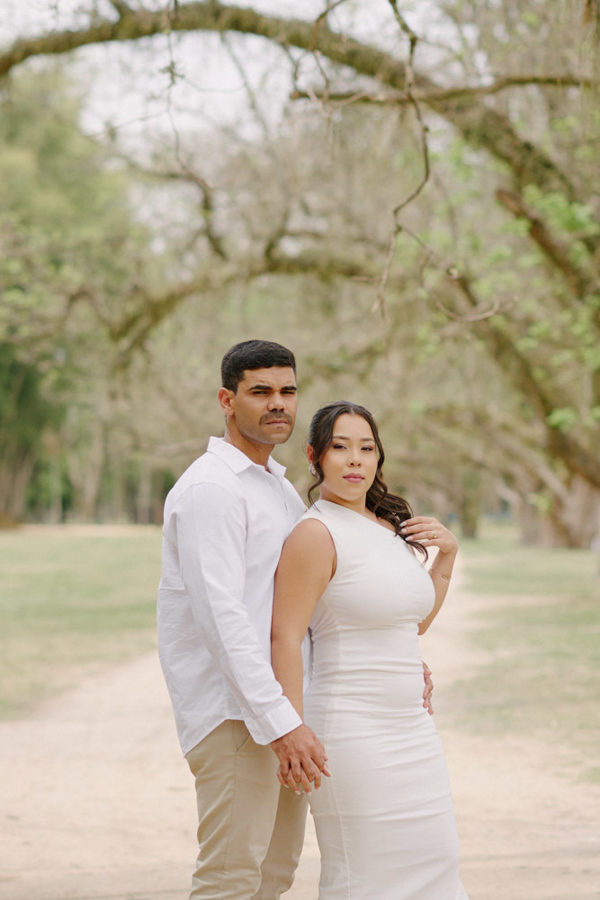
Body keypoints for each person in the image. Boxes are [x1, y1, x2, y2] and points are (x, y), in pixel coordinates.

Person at [157, 342, 433, 900]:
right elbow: (224, 621)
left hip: (286, 713)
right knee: (230, 879)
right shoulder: (213, 489)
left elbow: (309, 608)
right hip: (238, 716)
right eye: (260, 391)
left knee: (273, 876)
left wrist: (392, 659)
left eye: (287, 391)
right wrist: (279, 723)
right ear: (227, 400)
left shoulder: (277, 489)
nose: (277, 403)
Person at [271, 400, 469, 900]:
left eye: (366, 448)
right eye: (340, 447)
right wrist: (290, 728)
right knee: (369, 877)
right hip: (353, 734)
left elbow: (412, 623)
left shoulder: (389, 529)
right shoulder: (315, 534)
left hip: (414, 731)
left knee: (436, 865)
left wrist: (446, 556)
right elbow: (285, 636)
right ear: (315, 456)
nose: (355, 459)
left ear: (379, 458)